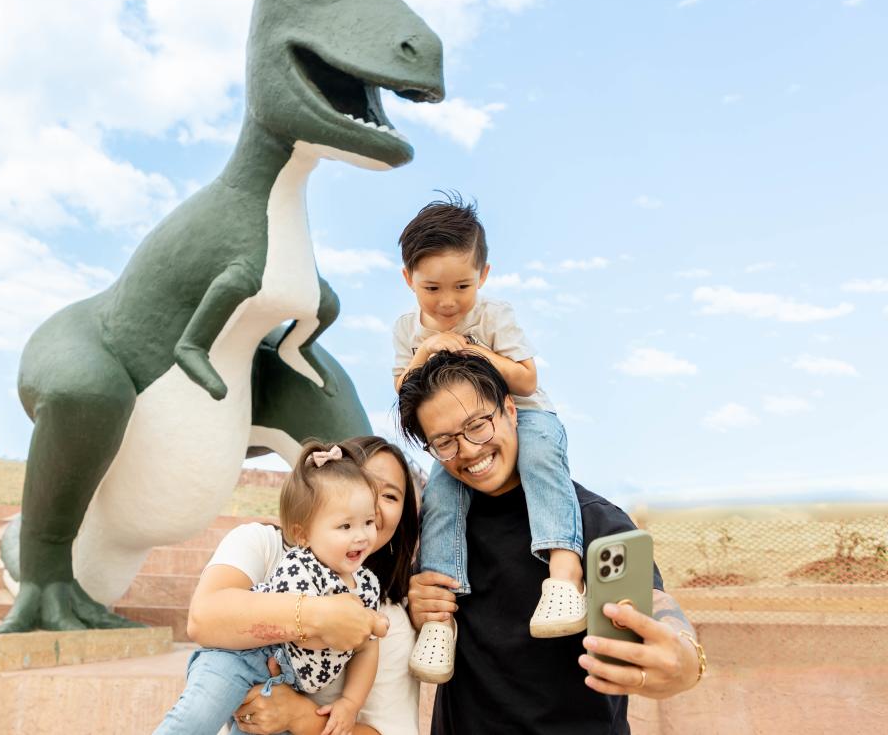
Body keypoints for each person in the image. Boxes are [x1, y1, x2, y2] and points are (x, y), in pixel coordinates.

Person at [399, 351, 707, 733]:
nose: (469, 450)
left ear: (511, 410)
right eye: (444, 442)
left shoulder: (594, 518)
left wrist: (684, 658)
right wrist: (415, 609)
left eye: (478, 425)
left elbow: (654, 605)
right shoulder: (438, 536)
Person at [392, 195, 586, 684]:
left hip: (526, 416)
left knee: (541, 458)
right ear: (408, 279)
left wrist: (471, 350)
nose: (449, 301)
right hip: (457, 428)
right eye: (432, 287)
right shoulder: (406, 329)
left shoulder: (495, 316)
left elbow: (524, 378)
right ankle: (441, 621)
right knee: (439, 494)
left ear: (484, 275)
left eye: (462, 285)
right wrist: (430, 350)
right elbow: (404, 391)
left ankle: (563, 574)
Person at [186, 436, 423, 735]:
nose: (371, 504)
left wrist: (298, 717)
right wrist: (320, 617)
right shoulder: (263, 545)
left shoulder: (389, 619)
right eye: (362, 485)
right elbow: (202, 619)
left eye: (390, 496)